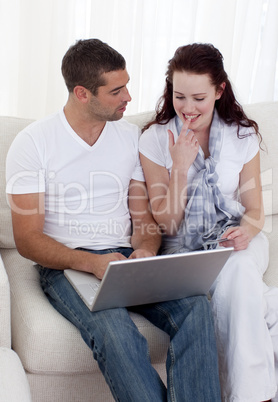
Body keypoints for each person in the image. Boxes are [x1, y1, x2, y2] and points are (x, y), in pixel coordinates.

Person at [5, 39, 221, 402]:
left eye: (127, 85)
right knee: (115, 331)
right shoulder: (33, 144)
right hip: (68, 264)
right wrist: (92, 263)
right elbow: (27, 240)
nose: (129, 98)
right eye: (117, 90)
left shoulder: (129, 137)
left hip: (124, 258)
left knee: (197, 307)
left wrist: (147, 250)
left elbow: (143, 217)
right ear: (82, 93)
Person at [139, 42, 278, 402]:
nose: (187, 108)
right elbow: (167, 225)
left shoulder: (242, 135)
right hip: (188, 247)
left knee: (239, 268)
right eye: (179, 96)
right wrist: (180, 166)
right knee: (248, 292)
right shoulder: (155, 139)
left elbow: (256, 212)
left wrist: (245, 232)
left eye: (198, 98)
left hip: (237, 239)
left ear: (220, 91)